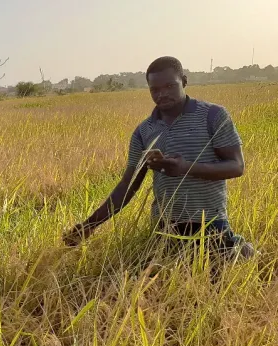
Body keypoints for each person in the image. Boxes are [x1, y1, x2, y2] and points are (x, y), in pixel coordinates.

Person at [64, 56, 254, 259]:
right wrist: (89, 225)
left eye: (170, 86)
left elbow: (236, 166)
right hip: (165, 226)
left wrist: (185, 168)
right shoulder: (144, 131)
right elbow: (128, 186)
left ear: (184, 81)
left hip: (210, 221)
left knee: (217, 274)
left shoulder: (213, 116)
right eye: (155, 89)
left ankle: (241, 249)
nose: (162, 94)